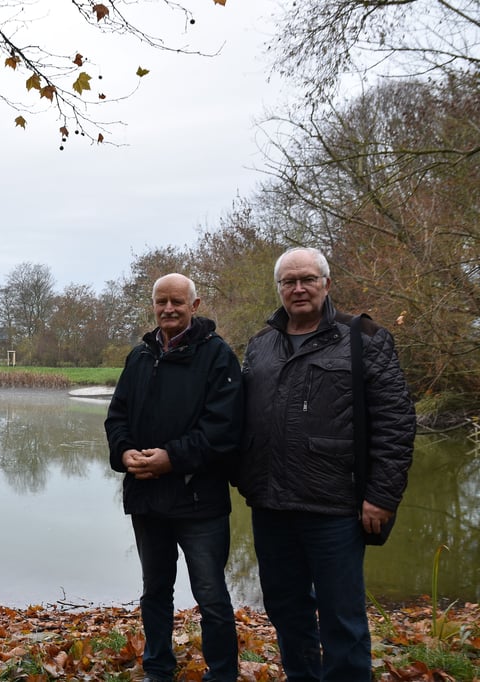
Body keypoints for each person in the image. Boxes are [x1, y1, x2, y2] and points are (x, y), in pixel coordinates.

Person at [233, 247, 415, 681]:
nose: (298, 288)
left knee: (342, 616)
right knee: (285, 609)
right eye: (289, 281)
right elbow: (239, 417)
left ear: (326, 284)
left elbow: (395, 422)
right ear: (279, 289)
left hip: (335, 508)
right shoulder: (261, 345)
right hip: (271, 506)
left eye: (308, 279)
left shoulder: (364, 338)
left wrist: (382, 496)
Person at [105, 273, 243, 682]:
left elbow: (224, 430)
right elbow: (117, 416)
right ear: (153, 306)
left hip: (200, 501)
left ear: (194, 306)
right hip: (147, 498)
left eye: (177, 302)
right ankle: (158, 669)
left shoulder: (218, 356)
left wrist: (171, 459)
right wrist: (124, 451)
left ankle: (222, 674)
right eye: (161, 302)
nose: (168, 309)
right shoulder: (140, 356)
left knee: (211, 595)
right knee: (155, 591)